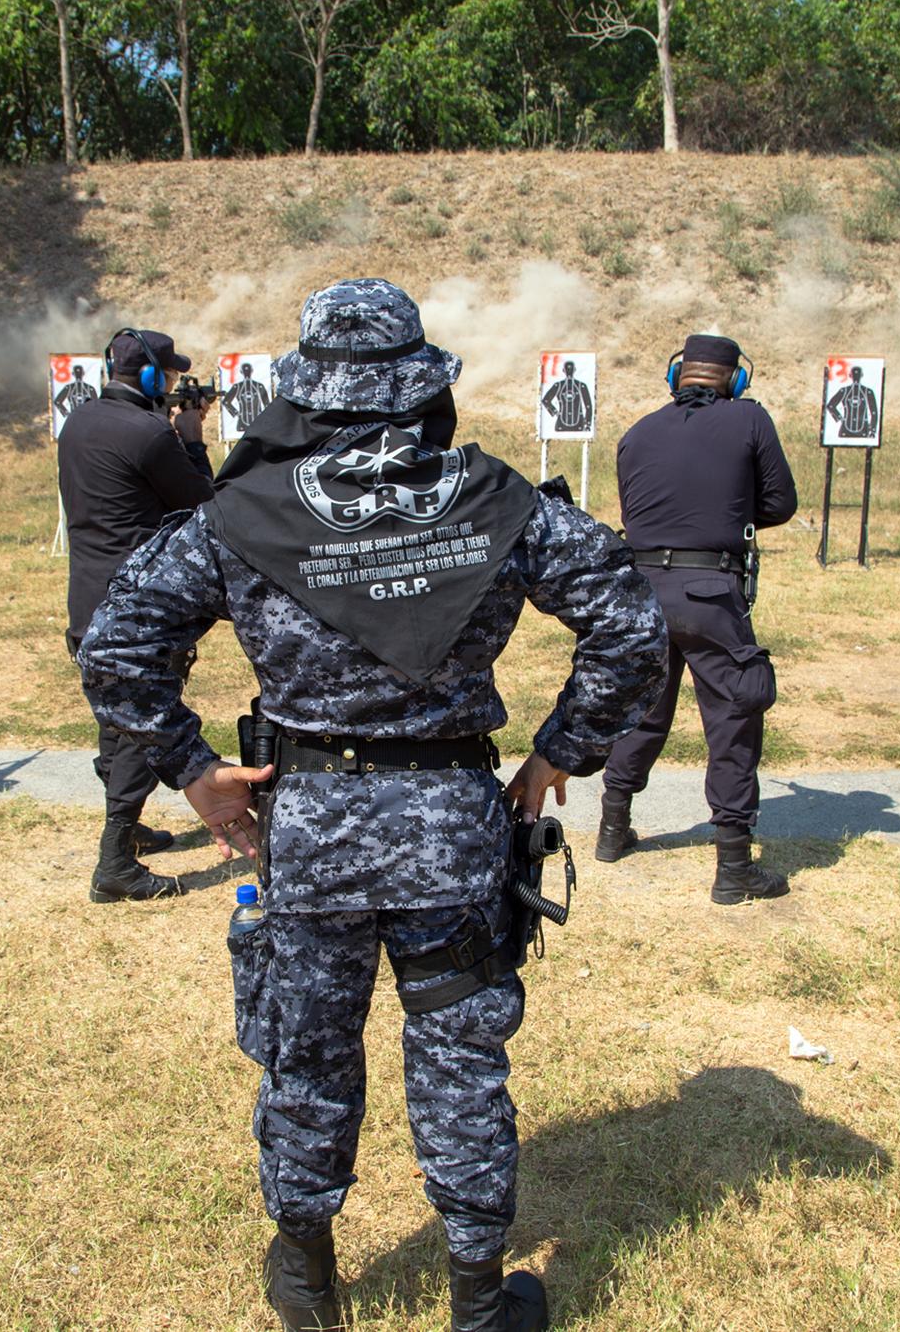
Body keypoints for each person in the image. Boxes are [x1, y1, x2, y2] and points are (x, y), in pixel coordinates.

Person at [77, 279, 664, 1332]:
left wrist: (192, 771)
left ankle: (307, 1288)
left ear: (306, 391)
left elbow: (115, 645)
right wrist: (557, 751)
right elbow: (630, 623)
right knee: (459, 1056)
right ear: (418, 386)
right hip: (450, 822)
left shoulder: (236, 514)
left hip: (306, 832)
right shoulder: (498, 503)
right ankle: (478, 1305)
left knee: (304, 1052)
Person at [596, 334, 798, 904]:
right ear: (735, 380)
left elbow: (637, 510)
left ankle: (612, 829)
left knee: (643, 710)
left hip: (641, 591)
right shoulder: (750, 421)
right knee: (732, 720)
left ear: (676, 377)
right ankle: (734, 868)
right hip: (712, 592)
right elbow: (781, 504)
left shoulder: (637, 431)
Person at [58, 328, 216, 903]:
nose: (173, 382)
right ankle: (115, 862)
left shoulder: (79, 420)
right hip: (140, 605)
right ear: (152, 377)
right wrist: (191, 439)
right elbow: (204, 506)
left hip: (86, 596)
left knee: (114, 718)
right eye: (169, 374)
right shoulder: (151, 434)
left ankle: (129, 830)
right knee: (141, 729)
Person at [825, 363, 879, 440]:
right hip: (858, 430)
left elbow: (830, 406)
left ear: (850, 376)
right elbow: (874, 412)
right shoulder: (868, 391)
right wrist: (872, 430)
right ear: (862, 375)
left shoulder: (845, 390)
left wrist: (840, 418)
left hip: (852, 429)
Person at [541, 359, 593, 434]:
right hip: (576, 425)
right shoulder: (581, 385)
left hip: (564, 424)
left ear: (563, 370)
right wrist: (588, 424)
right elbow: (588, 406)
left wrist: (555, 412)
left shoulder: (559, 385)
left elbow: (546, 400)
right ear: (575, 370)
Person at [223, 360, 272, 435]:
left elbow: (267, 404)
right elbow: (226, 402)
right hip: (243, 422)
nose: (247, 373)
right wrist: (236, 413)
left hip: (256, 422)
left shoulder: (258, 386)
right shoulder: (238, 386)